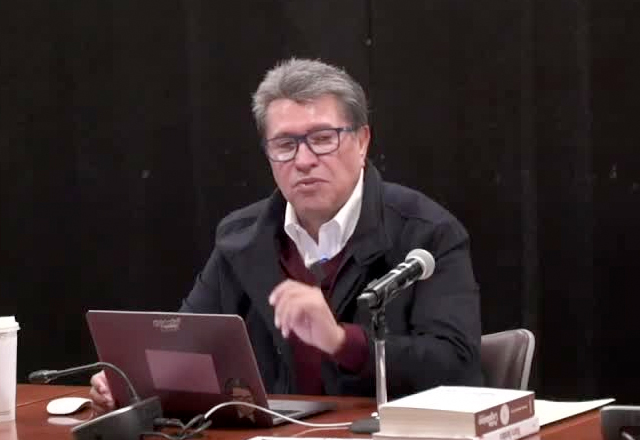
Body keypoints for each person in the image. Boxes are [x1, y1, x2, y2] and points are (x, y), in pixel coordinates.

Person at [90, 58, 482, 414]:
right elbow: (185, 344)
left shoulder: (426, 233)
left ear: (363, 142)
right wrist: (132, 382)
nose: (304, 160)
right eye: (285, 144)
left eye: (323, 138)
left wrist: (341, 341)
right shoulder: (241, 240)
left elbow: (456, 365)